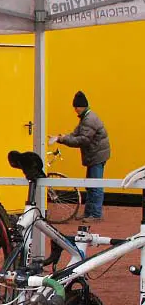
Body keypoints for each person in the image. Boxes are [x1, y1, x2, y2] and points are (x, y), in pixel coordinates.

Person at [49, 90, 110, 221]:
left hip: (96, 156)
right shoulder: (86, 118)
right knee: (90, 185)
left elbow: (82, 140)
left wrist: (61, 140)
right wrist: (61, 137)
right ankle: (89, 213)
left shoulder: (89, 120)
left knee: (95, 186)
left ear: (82, 106)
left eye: (76, 107)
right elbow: (75, 134)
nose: (75, 110)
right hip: (95, 155)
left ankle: (95, 215)